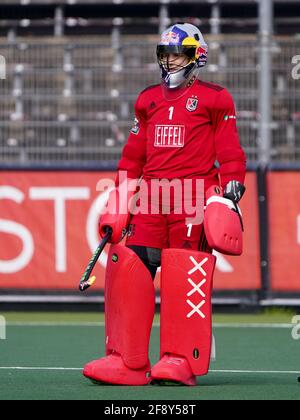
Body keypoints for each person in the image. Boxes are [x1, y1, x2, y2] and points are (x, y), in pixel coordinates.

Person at [83, 23, 247, 386]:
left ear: (195, 57)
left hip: (193, 199)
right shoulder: (146, 100)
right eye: (166, 54)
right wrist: (122, 195)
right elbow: (132, 157)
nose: (171, 60)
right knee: (129, 269)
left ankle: (178, 359)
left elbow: (229, 147)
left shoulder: (216, 98)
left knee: (182, 276)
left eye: (178, 54)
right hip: (152, 199)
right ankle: (127, 360)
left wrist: (233, 179)